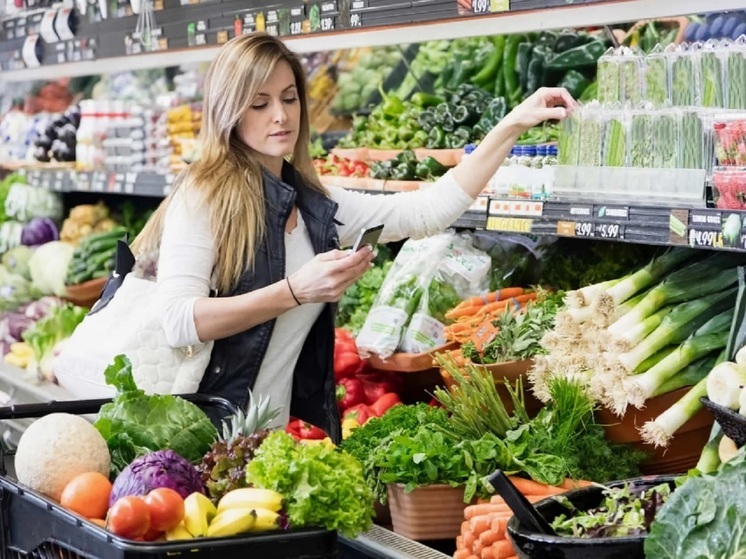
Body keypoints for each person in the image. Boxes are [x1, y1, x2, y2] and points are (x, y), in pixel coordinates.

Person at [132, 33, 576, 442]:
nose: (281, 115)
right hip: (198, 434)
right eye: (259, 104)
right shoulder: (205, 194)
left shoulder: (312, 203)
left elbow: (426, 212)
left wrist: (512, 125)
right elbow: (180, 320)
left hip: (262, 441)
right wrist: (294, 291)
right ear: (228, 110)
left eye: (289, 98)